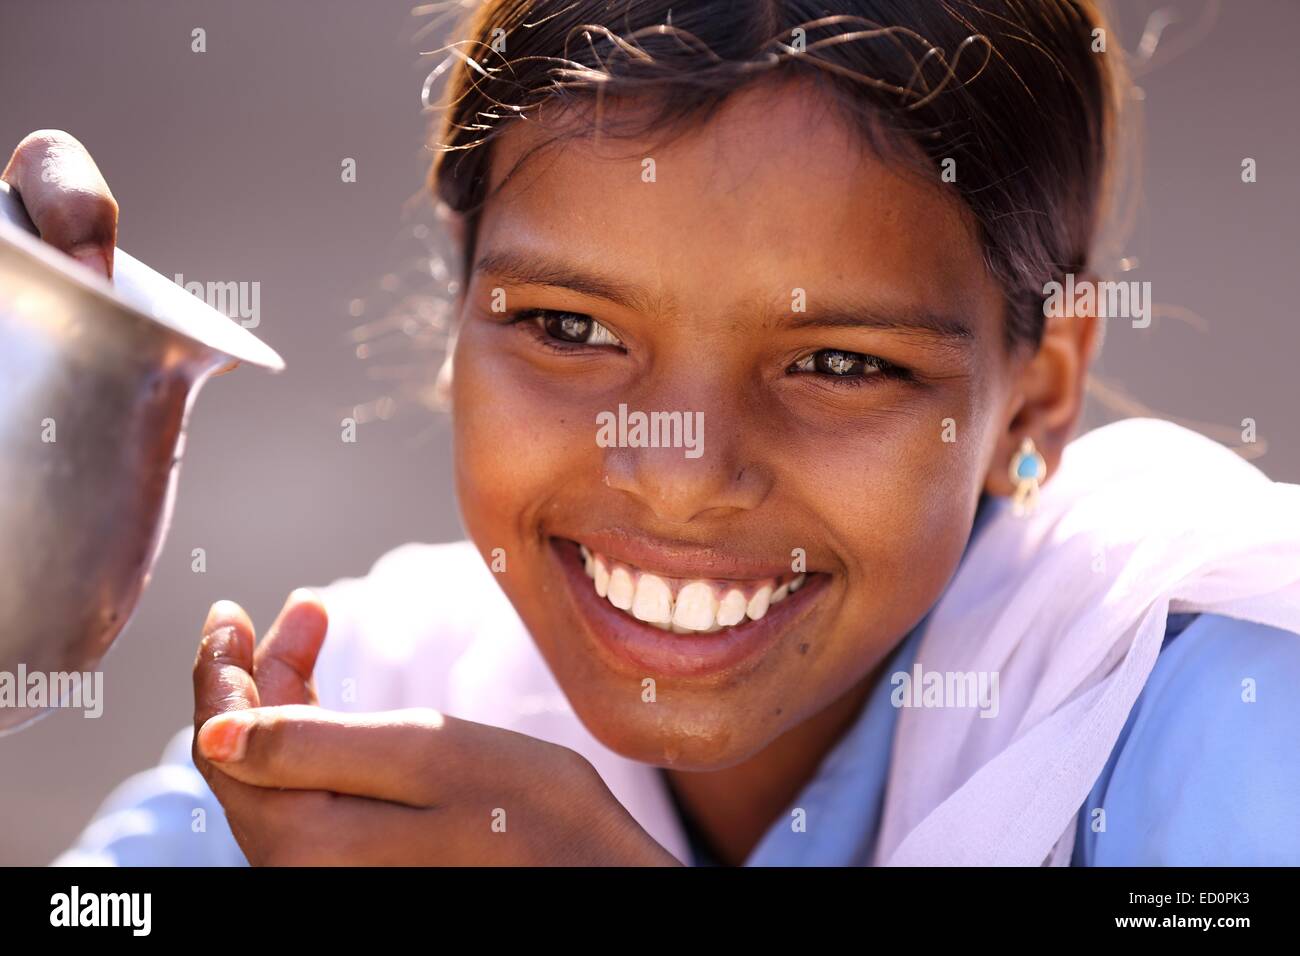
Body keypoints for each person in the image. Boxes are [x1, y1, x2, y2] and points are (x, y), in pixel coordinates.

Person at [7, 0, 1299, 867]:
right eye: (570, 330)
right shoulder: (364, 719)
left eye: (839, 362)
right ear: (458, 304)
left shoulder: (1200, 718)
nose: (681, 477)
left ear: (1040, 388)